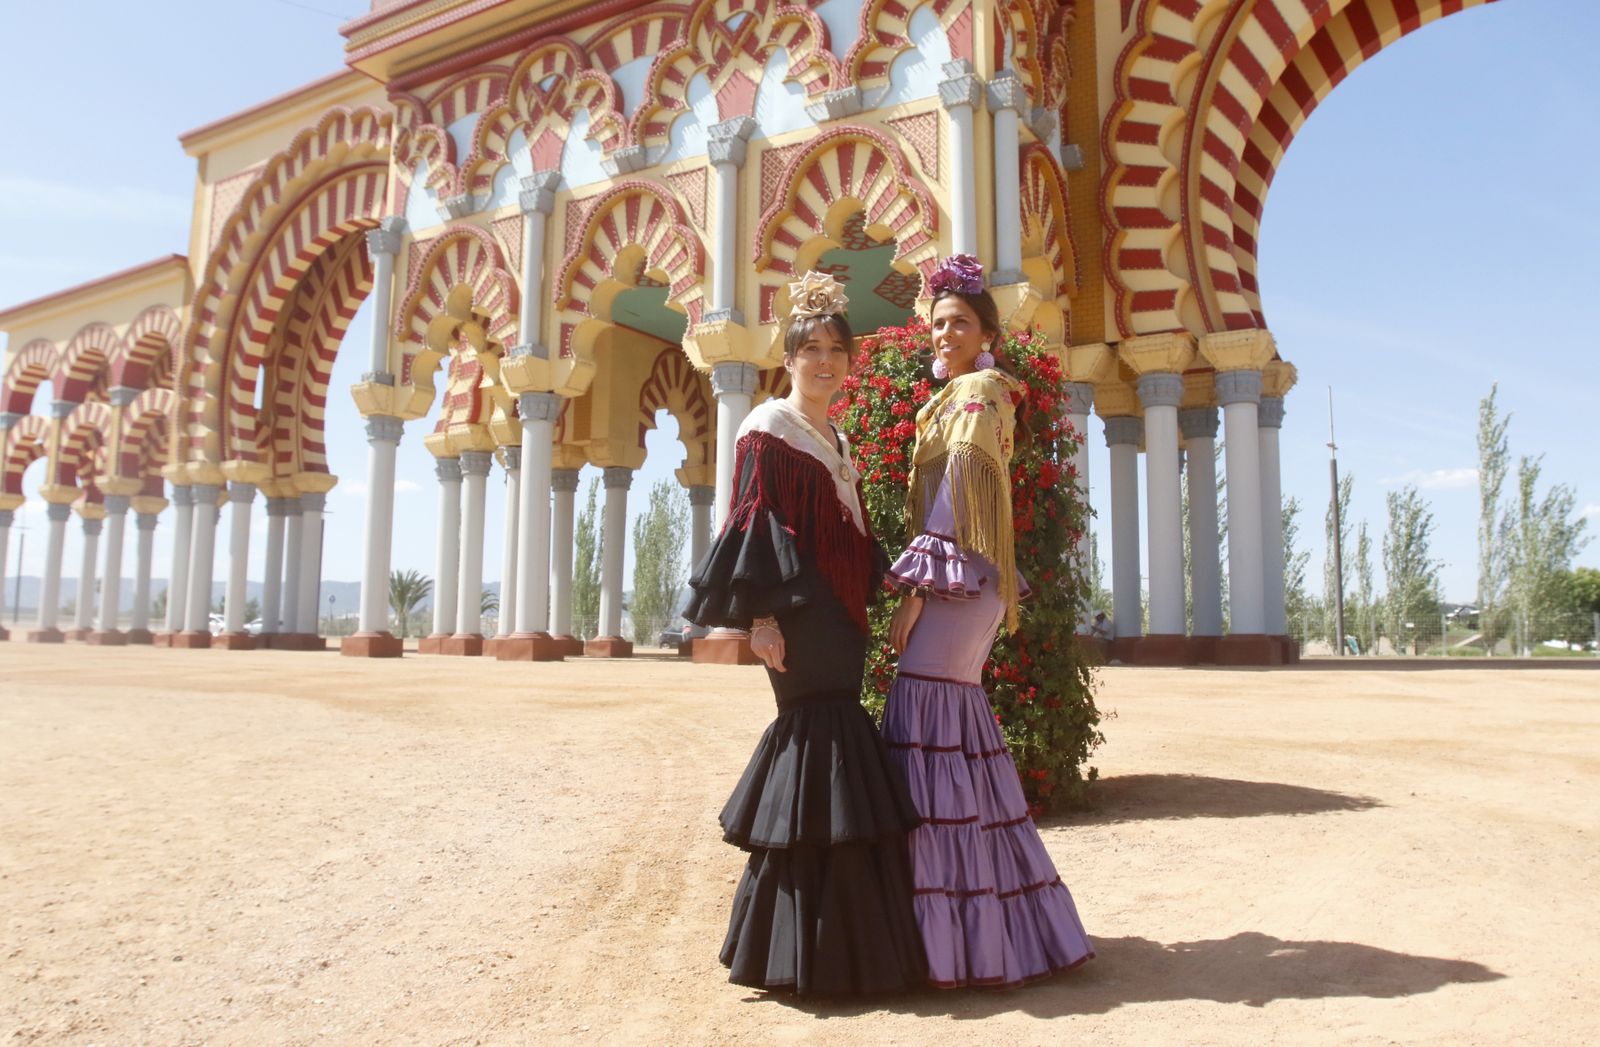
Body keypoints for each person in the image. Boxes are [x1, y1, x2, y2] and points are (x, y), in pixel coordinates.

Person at [684, 271, 927, 995]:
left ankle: (839, 944)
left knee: (836, 755)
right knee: (815, 744)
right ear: (787, 359)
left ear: (848, 361)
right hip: (797, 619)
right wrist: (760, 618)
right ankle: (806, 948)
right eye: (809, 349)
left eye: (835, 350)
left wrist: (900, 588)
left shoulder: (836, 436)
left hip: (841, 619)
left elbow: (851, 536)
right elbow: (753, 522)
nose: (823, 361)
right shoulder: (768, 428)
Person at [882, 253, 1095, 988]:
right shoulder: (961, 395)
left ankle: (948, 939)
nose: (944, 334)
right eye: (937, 323)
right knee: (957, 740)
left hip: (957, 581)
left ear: (985, 334)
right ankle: (996, 929)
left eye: (959, 323)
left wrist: (915, 590)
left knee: (926, 719)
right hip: (973, 580)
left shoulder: (977, 390)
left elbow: (959, 498)